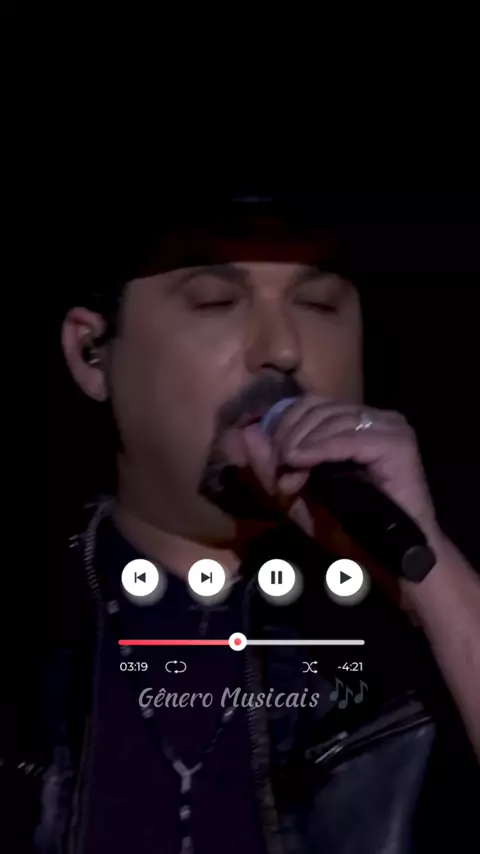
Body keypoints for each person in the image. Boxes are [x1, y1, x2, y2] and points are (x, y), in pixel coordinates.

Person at [9, 195, 480, 853]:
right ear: (92, 352)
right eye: (215, 302)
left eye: (318, 304)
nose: (282, 349)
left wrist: (429, 577)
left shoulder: (419, 634)